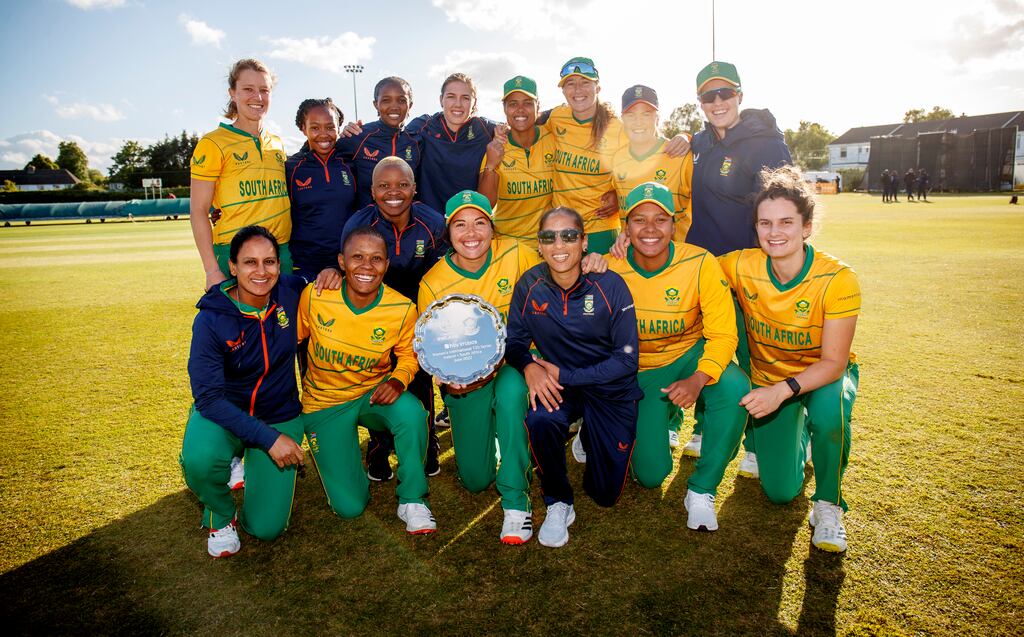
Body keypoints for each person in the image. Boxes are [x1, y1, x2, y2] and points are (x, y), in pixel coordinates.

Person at [720, 166, 861, 553]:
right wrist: (616, 250)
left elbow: (833, 363)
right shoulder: (741, 264)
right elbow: (687, 271)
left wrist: (783, 391)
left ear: (806, 227)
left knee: (829, 415)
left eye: (786, 222)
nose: (774, 232)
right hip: (771, 381)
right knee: (780, 492)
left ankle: (829, 505)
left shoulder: (838, 278)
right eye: (765, 223)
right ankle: (800, 437)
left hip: (820, 378)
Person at [180, 225, 340, 557]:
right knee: (200, 460)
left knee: (266, 528)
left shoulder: (291, 290)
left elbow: (323, 285)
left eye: (269, 262)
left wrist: (331, 272)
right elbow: (208, 398)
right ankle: (221, 514)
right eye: (250, 262)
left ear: (279, 265)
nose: (261, 271)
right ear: (233, 267)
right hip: (224, 413)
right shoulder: (211, 318)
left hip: (279, 412)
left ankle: (249, 468)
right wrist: (269, 439)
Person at [608, 182, 750, 531]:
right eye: (639, 219)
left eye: (661, 219)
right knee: (650, 475)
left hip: (689, 354)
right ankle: (654, 420)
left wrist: (698, 379)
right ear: (625, 227)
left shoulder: (700, 261)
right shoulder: (610, 268)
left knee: (734, 388)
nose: (650, 228)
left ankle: (702, 489)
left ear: (674, 225)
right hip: (642, 370)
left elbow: (723, 334)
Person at [505, 207, 641, 548]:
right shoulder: (530, 285)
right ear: (539, 245)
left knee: (604, 494)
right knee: (540, 419)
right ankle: (558, 501)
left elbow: (627, 360)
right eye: (549, 237)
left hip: (608, 386)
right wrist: (529, 366)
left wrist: (568, 374)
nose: (559, 245)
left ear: (584, 242)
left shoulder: (610, 285)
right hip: (560, 386)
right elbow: (514, 340)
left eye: (568, 236)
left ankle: (590, 432)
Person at [680, 60, 792, 471]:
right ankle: (705, 426)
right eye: (708, 96)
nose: (718, 102)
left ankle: (755, 442)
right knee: (710, 346)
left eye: (725, 93)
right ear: (700, 103)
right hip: (708, 269)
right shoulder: (700, 142)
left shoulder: (766, 143)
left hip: (751, 268)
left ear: (740, 96)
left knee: (753, 353)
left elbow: (784, 205)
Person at [298, 226, 437, 534]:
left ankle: (412, 499)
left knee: (412, 413)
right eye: (357, 257)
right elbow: (287, 342)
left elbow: (409, 355)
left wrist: (398, 380)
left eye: (376, 258)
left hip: (371, 395)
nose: (367, 266)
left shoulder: (402, 308)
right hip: (324, 404)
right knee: (350, 507)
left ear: (386, 265)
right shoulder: (316, 296)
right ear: (341, 262)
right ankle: (346, 465)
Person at [417, 191, 537, 544]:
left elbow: (552, 288)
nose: (471, 233)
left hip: (515, 361)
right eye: (460, 224)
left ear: (492, 228)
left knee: (512, 395)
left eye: (480, 222)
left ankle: (516, 500)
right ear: (448, 231)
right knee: (475, 480)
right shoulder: (433, 282)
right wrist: (450, 380)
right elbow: (434, 349)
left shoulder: (518, 253)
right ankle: (496, 441)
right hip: (468, 381)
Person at [341, 156, 447, 480]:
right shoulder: (358, 225)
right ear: (372, 191)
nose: (393, 192)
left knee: (420, 381)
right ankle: (379, 448)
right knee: (379, 380)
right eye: (384, 186)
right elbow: (351, 273)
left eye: (402, 184)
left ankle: (426, 446)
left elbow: (444, 274)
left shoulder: (433, 223)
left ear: (414, 189)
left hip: (418, 315)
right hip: (376, 314)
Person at [190, 58, 291, 292]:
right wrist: (211, 270)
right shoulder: (212, 143)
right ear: (232, 93)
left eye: (264, 90)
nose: (258, 97)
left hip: (280, 253)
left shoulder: (277, 143)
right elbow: (198, 211)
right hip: (234, 255)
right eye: (248, 89)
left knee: (285, 317)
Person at [478, 76, 556, 249]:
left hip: (547, 246)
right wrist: (491, 165)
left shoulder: (552, 137)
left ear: (538, 106)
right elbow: (485, 205)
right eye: (513, 104)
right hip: (508, 247)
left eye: (527, 103)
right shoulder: (497, 148)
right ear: (505, 109)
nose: (520, 110)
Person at [286, 98, 357, 281]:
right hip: (304, 266)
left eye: (330, 127)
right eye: (315, 128)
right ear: (303, 128)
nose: (323, 134)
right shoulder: (291, 168)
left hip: (345, 265)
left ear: (339, 128)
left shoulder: (350, 163)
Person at [611, 85, 693, 242]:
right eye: (631, 115)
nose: (638, 122)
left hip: (677, 254)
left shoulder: (681, 155)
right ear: (623, 120)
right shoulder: (617, 158)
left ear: (657, 118)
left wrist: (689, 137)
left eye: (646, 114)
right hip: (631, 253)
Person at [336, 76, 420, 209]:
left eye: (401, 100)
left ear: (410, 105)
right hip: (367, 220)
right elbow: (321, 156)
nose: (394, 107)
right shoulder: (357, 136)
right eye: (386, 100)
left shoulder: (416, 142)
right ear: (376, 104)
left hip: (405, 220)